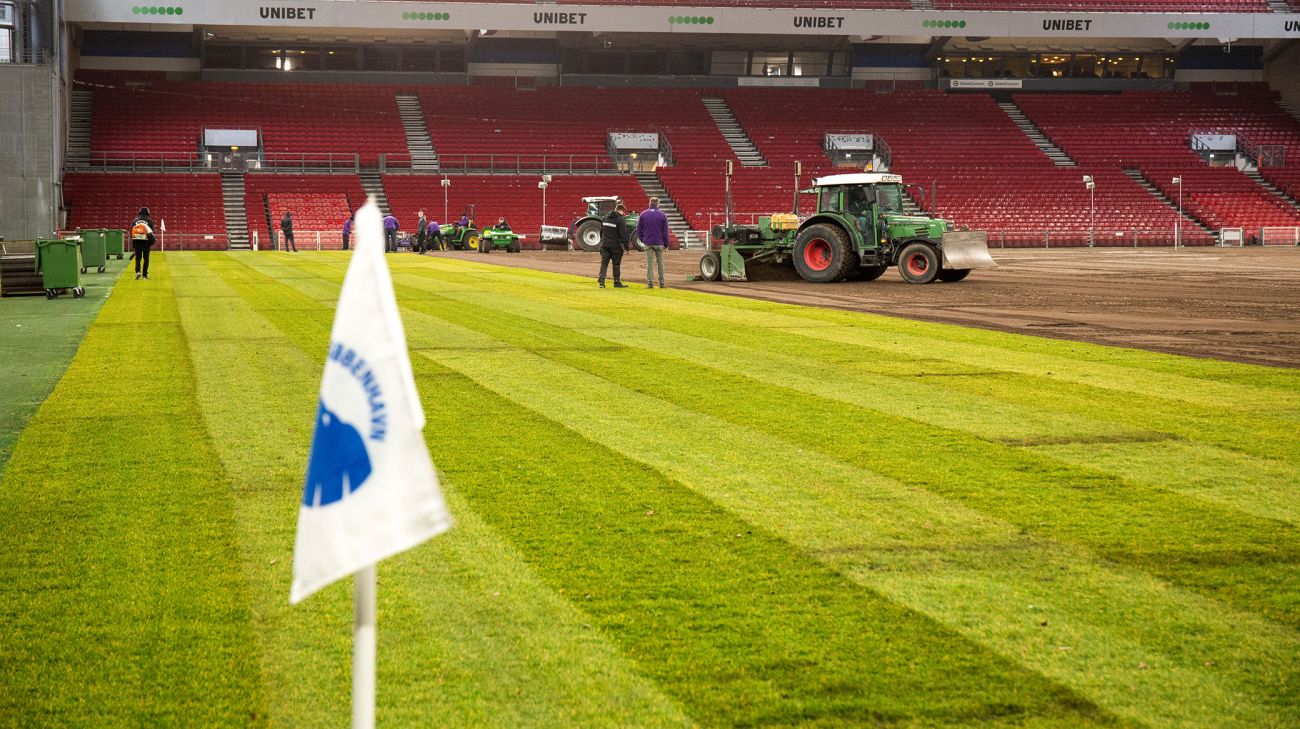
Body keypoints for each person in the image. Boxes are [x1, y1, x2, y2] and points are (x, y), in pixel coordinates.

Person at [635, 197, 670, 288]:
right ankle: (662, 283)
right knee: (660, 263)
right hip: (659, 243)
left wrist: (643, 240)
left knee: (649, 263)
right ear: (658, 204)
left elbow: (638, 230)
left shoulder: (643, 214)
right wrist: (666, 244)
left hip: (648, 243)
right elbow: (665, 232)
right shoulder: (662, 215)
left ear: (649, 203)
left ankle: (650, 283)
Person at [598, 202, 630, 288]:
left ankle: (601, 282)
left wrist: (602, 241)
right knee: (616, 265)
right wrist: (627, 247)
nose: (624, 214)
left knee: (604, 264)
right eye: (623, 212)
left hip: (604, 245)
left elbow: (601, 232)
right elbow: (623, 235)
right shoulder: (620, 220)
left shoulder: (605, 218)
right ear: (621, 211)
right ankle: (616, 282)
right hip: (615, 246)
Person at [129, 206, 156, 280]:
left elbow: (131, 232)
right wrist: (152, 242)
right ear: (147, 212)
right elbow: (151, 232)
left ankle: (138, 272)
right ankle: (144, 275)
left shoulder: (135, 220)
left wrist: (133, 242)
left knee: (138, 258)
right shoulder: (149, 221)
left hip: (137, 242)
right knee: (146, 259)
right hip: (146, 242)